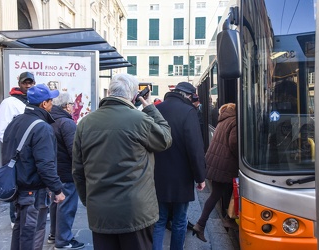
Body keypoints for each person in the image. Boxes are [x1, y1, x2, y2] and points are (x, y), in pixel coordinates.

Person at [72, 73, 172, 250]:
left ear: (109, 93)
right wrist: (150, 108)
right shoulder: (140, 119)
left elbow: (78, 170)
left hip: (100, 210)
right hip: (135, 212)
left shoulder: (85, 123)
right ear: (134, 96)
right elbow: (165, 139)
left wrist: (90, 201)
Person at [2, 84, 66, 250]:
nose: (53, 104)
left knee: (20, 229)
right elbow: (45, 164)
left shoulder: (16, 122)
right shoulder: (42, 127)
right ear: (44, 104)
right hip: (33, 191)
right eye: (51, 100)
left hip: (18, 187)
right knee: (33, 232)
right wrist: (57, 189)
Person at [153, 82, 206, 250]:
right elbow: (195, 148)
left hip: (157, 174)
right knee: (180, 220)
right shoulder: (188, 111)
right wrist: (200, 177)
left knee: (159, 221)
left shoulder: (157, 109)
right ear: (187, 96)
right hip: (181, 177)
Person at [192, 103, 238, 242]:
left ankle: (207, 223)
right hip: (226, 164)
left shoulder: (222, 121)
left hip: (217, 164)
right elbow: (234, 143)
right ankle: (223, 220)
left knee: (219, 193)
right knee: (230, 192)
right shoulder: (234, 122)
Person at [0, 71, 35, 229]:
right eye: (25, 82)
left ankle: (26, 215)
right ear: (19, 83)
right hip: (16, 153)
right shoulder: (9, 102)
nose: (28, 85)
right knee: (16, 185)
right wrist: (18, 146)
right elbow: (1, 131)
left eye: (30, 82)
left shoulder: (32, 101)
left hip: (30, 152)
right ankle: (14, 219)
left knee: (28, 185)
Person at [48, 93, 84, 249]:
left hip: (54, 171)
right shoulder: (67, 123)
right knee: (67, 206)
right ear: (67, 106)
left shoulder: (50, 120)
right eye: (71, 104)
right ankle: (63, 240)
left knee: (56, 204)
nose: (73, 106)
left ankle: (54, 235)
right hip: (67, 172)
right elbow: (74, 151)